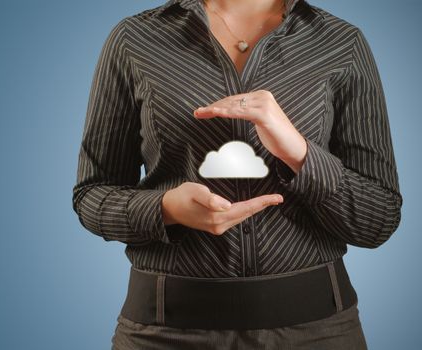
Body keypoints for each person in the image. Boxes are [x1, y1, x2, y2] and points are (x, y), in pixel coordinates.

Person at [72, 0, 403, 348]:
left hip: (318, 333)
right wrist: (166, 209)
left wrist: (299, 153)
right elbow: (92, 195)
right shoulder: (133, 40)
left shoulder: (340, 42)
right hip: (161, 334)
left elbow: (377, 219)